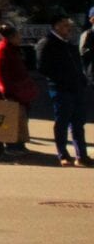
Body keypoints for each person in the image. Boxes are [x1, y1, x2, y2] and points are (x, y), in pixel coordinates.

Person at [36, 15, 85, 167]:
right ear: (56, 26)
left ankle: (81, 155)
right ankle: (63, 154)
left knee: (78, 122)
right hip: (60, 89)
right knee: (62, 122)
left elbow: (77, 64)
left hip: (75, 87)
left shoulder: (68, 44)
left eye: (69, 26)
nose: (68, 29)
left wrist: (81, 79)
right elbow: (43, 67)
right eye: (64, 25)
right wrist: (61, 79)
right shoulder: (47, 43)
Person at [0, 22, 37, 157]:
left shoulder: (12, 49)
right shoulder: (2, 50)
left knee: (22, 120)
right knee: (13, 121)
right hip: (11, 91)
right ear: (11, 37)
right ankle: (12, 146)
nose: (20, 38)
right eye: (17, 36)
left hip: (20, 90)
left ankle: (20, 144)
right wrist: (4, 90)